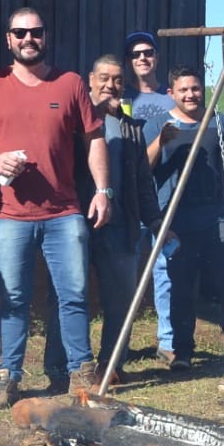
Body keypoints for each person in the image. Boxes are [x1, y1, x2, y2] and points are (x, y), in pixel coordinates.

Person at [0, 7, 110, 407]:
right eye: (20, 33)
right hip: (10, 214)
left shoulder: (69, 84)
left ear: (45, 36)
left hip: (64, 213)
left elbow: (94, 140)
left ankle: (81, 376)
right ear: (9, 39)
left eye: (36, 32)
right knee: (13, 297)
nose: (28, 39)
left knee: (73, 295)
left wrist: (103, 190)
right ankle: (9, 380)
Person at [42, 54, 164, 383]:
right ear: (90, 81)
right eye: (104, 79)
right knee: (66, 298)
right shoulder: (71, 120)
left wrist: (154, 222)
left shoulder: (129, 127)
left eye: (118, 80)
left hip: (121, 228)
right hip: (73, 224)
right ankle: (59, 369)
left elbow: (142, 181)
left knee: (121, 302)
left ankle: (111, 367)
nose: (111, 85)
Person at [146, 66, 224, 368]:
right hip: (178, 221)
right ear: (172, 94)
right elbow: (143, 167)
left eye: (195, 88)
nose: (190, 95)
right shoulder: (159, 124)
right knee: (180, 287)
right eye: (183, 90)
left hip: (218, 218)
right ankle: (181, 352)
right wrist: (161, 141)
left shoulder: (218, 123)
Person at [120, 30, 177, 363]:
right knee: (125, 274)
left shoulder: (172, 99)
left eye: (148, 52)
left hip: (166, 197)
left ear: (156, 56)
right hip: (130, 199)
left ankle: (167, 342)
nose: (143, 58)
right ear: (129, 61)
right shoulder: (123, 98)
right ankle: (120, 345)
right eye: (136, 54)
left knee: (164, 273)